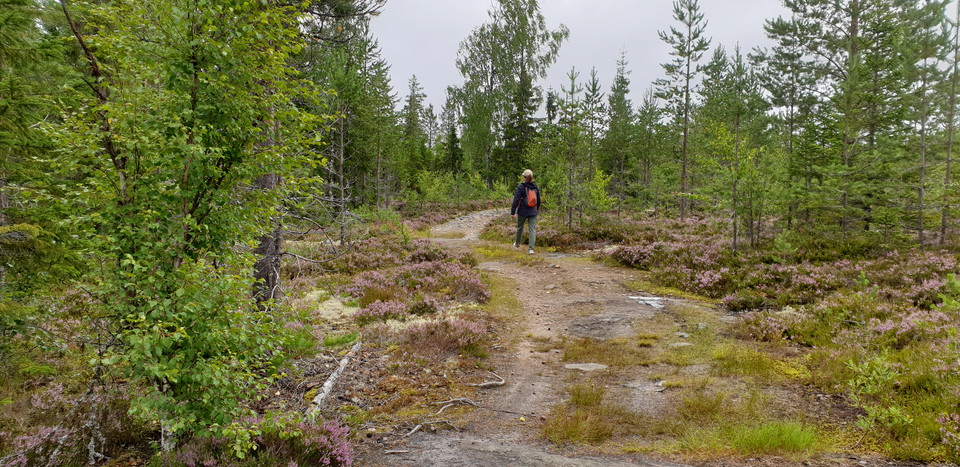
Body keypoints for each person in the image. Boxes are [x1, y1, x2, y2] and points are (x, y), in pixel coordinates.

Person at [511, 169, 541, 254]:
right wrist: (536, 209)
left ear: (524, 177)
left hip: (522, 211)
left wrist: (512, 212)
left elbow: (516, 200)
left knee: (519, 228)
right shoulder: (535, 186)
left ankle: (517, 244)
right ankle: (531, 249)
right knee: (532, 230)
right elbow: (538, 201)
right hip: (533, 211)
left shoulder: (521, 186)